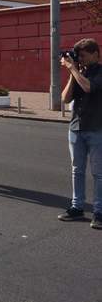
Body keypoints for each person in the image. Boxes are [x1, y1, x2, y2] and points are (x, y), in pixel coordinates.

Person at [58, 38, 102, 230]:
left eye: (83, 56)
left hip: (97, 129)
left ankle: (99, 212)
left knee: (99, 173)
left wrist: (72, 69)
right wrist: (72, 72)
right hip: (76, 128)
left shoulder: (100, 72)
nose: (80, 59)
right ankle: (77, 207)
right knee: (77, 170)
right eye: (79, 57)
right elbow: (65, 98)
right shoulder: (79, 72)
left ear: (95, 54)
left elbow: (88, 87)